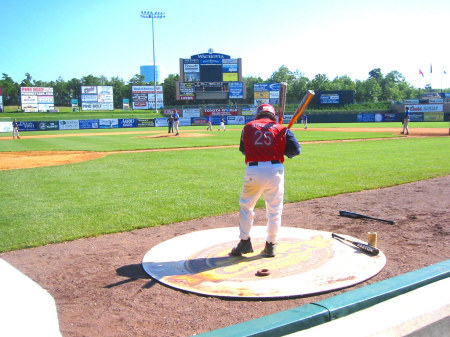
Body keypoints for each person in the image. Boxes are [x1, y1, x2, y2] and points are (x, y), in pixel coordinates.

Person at [230, 103, 301, 258]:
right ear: (273, 115)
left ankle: (244, 241)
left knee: (246, 207)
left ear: (258, 114)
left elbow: (243, 149)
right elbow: (296, 150)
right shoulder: (282, 129)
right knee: (275, 210)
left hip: (253, 170)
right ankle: (271, 245)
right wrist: (281, 144)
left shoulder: (247, 127)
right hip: (275, 170)